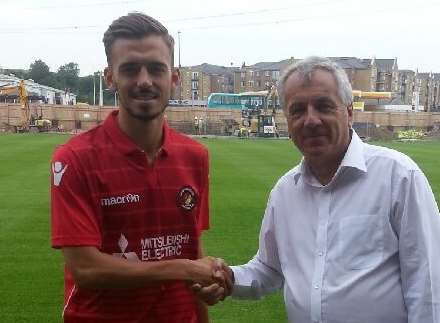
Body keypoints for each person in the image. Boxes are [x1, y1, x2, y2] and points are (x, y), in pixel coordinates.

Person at [194, 56, 440, 322]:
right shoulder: (285, 192)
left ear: (348, 112)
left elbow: (428, 285)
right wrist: (230, 277)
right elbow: (269, 269)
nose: (310, 120)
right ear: (287, 121)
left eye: (323, 106)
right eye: (297, 110)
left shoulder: (398, 176)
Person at [50, 12, 228, 323]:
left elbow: (191, 247)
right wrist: (185, 269)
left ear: (173, 78)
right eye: (130, 69)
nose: (144, 81)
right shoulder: (74, 159)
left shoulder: (195, 155)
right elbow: (86, 269)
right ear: (110, 77)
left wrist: (203, 285)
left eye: (156, 69)